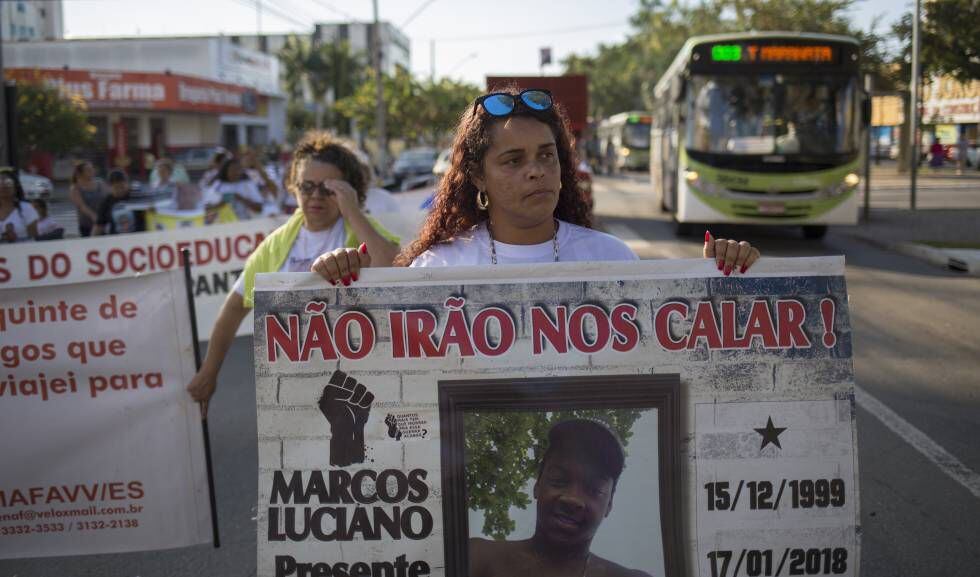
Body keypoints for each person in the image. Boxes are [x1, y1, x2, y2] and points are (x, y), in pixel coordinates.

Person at [369, 87, 757, 274]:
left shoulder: (613, 259)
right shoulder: (437, 268)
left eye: (545, 155)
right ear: (477, 177)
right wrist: (338, 278)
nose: (535, 170)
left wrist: (718, 282)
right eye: (512, 160)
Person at [186, 131, 401, 412]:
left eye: (328, 188)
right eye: (306, 186)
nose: (315, 196)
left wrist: (352, 211)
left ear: (348, 190)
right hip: (295, 391)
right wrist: (209, 372)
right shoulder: (276, 244)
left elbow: (394, 270)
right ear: (292, 186)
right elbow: (235, 306)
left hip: (358, 386)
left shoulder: (361, 228)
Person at [469, 418, 651, 577]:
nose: (572, 499)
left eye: (594, 489)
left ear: (609, 505)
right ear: (537, 485)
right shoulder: (476, 557)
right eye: (559, 480)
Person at [94, 170, 144, 235]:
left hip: (140, 238)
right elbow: (99, 225)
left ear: (127, 183)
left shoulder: (137, 196)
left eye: (122, 187)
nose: (120, 190)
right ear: (109, 187)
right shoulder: (105, 202)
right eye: (116, 188)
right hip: (116, 241)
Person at [68, 161, 107, 237]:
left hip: (103, 223)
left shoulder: (100, 183)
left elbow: (107, 198)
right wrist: (94, 217)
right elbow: (82, 206)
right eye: (88, 170)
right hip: (87, 225)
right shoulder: (75, 188)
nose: (92, 171)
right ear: (81, 173)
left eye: (92, 169)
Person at [0, 167, 39, 242]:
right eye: (0, 183)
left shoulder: (26, 209)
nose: (3, 187)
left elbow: (34, 239)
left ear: (15, 187)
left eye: (8, 183)